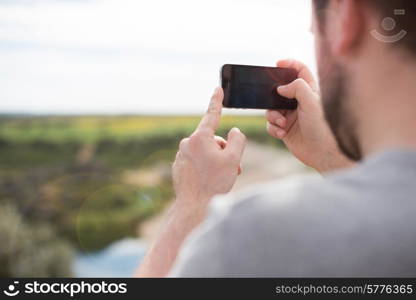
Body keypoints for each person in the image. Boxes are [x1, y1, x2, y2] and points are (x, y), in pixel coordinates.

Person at [136, 0, 416, 277]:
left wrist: (193, 204)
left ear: (343, 19)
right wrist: (331, 158)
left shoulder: (257, 233)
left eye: (314, 34)